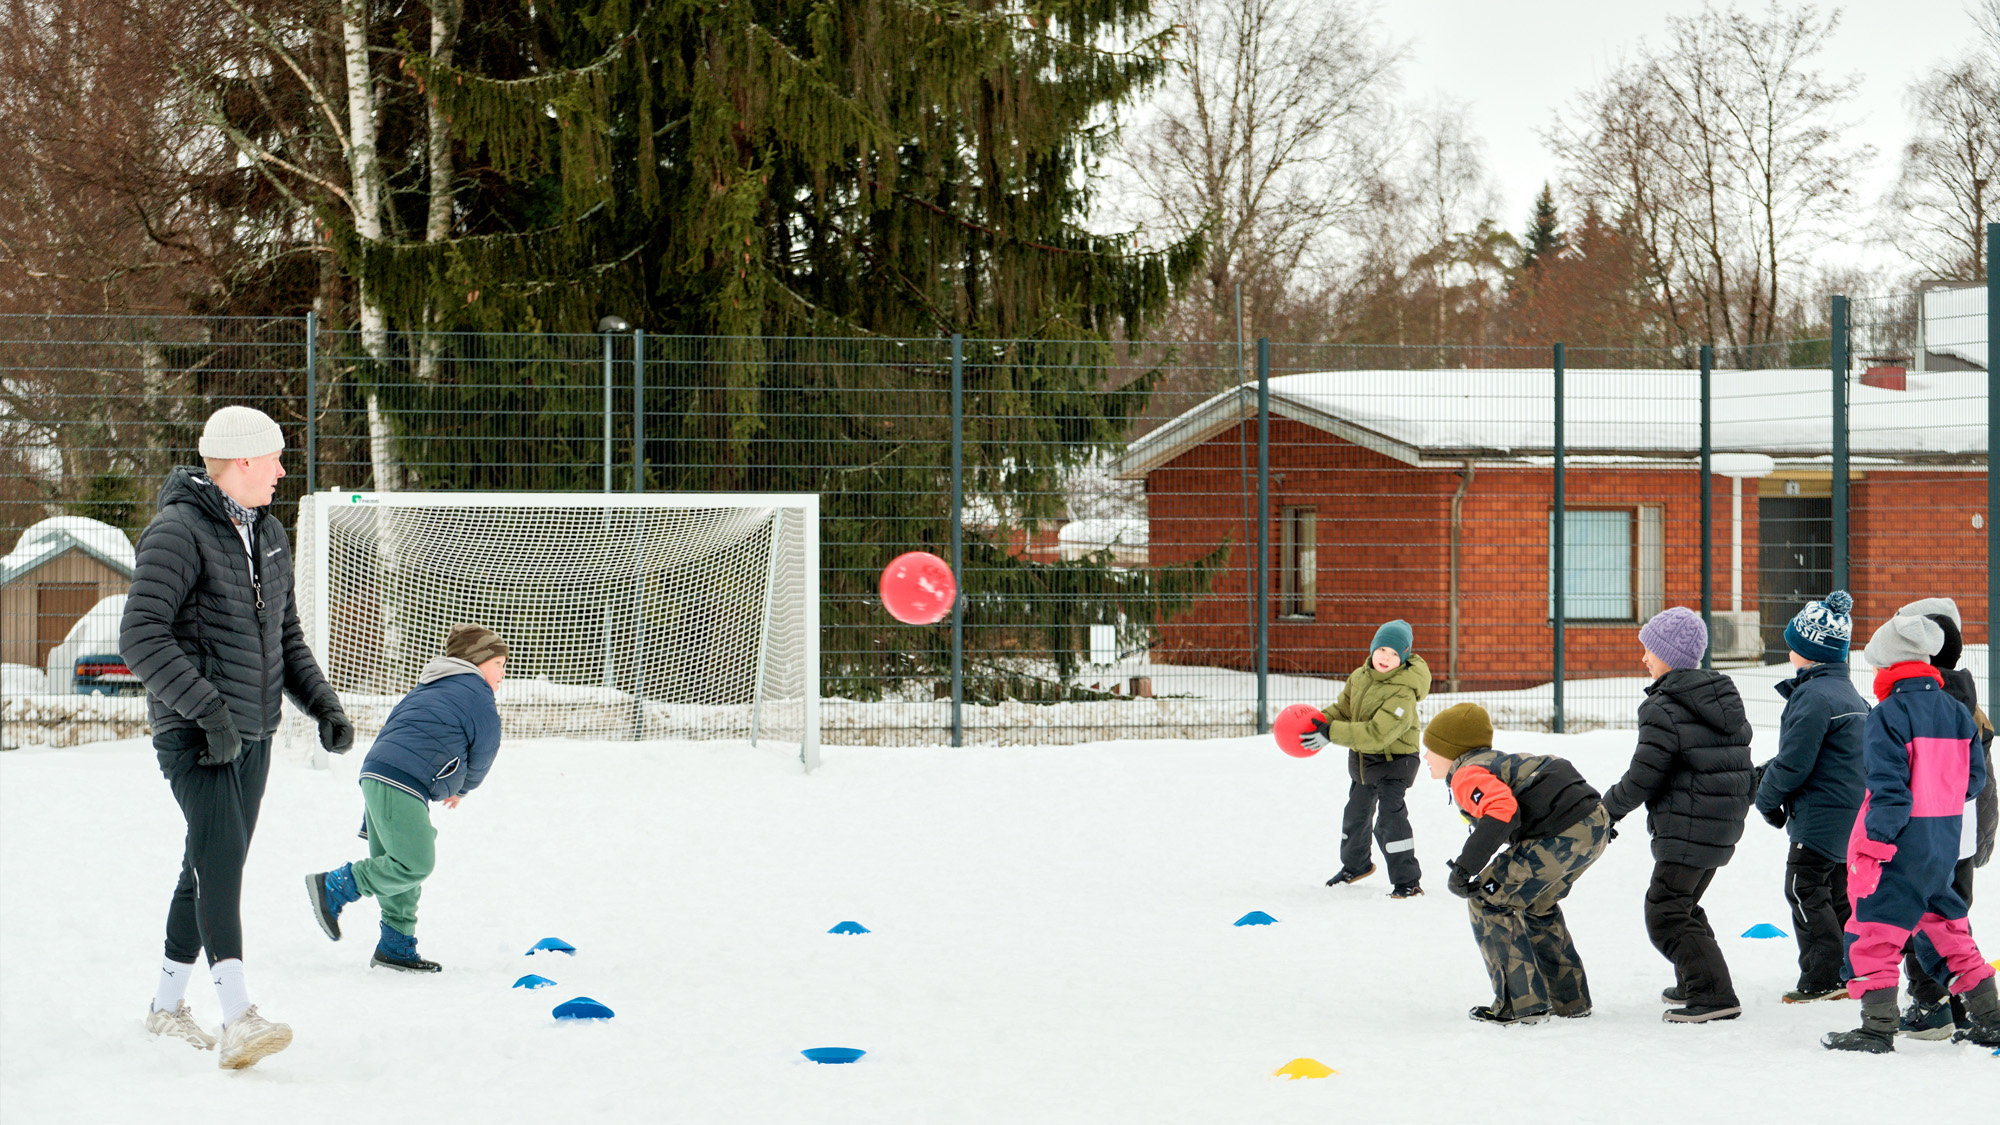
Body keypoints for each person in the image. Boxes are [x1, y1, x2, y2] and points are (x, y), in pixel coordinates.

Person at [119, 405, 353, 1069]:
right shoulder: (177, 531)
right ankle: (238, 1014)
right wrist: (207, 711)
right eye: (274, 459)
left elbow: (285, 638)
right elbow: (140, 636)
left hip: (254, 733)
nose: (282, 471)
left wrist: (322, 705)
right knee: (220, 858)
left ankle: (166, 1008)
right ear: (242, 462)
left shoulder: (270, 534)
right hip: (195, 733)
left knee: (207, 865)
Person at [1822, 613, 2000, 1052]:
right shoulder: (1958, 713)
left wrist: (1875, 847)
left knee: (1872, 930)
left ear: (1890, 665)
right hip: (1941, 845)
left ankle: (1876, 1028)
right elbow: (1973, 782)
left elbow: (1889, 791)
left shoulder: (1888, 714)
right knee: (1947, 928)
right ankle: (1991, 1018)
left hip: (1897, 842)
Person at [307, 623, 506, 973]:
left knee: (398, 866)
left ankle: (395, 944)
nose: (503, 672)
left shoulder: (430, 685)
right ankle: (336, 886)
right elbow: (486, 747)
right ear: (478, 661)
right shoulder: (476, 692)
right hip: (402, 781)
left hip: (380, 775)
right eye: (499, 664)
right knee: (414, 862)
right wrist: (463, 787)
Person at [1601, 606, 1754, 1024]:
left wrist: (1606, 810)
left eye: (1649, 649)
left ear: (1667, 655)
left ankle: (1714, 994)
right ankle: (1695, 980)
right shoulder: (1721, 701)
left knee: (1665, 912)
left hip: (1687, 827)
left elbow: (1643, 776)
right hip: (1719, 827)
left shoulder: (1664, 708)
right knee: (1682, 905)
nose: (1644, 658)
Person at [1422, 703, 1610, 1025]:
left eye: (1431, 749)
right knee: (1537, 907)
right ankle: (1569, 1000)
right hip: (1594, 827)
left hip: (1559, 834)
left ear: (1453, 752)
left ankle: (1521, 1006)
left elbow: (1501, 810)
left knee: (1487, 899)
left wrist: (1466, 868)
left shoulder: (1466, 774)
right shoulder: (1497, 763)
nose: (1425, 757)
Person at [1752, 590, 1868, 1004]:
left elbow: (1794, 763)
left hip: (1820, 817)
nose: (1789, 650)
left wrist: (1765, 799)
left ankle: (1822, 977)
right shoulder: (1851, 696)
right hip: (1851, 815)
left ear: (1809, 650)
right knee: (1836, 895)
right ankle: (1850, 970)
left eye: (1794, 644)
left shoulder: (1814, 696)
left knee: (1803, 888)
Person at [1306, 619, 1431, 898]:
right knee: (1355, 815)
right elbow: (1343, 708)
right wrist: (1319, 722)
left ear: (1404, 657)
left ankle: (1408, 881)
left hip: (1395, 761)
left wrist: (1331, 733)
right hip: (1364, 762)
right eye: (1382, 649)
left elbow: (1378, 734)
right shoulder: (1360, 677)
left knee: (1390, 820)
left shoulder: (1403, 691)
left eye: (1395, 653)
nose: (1386, 657)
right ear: (1372, 648)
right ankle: (1356, 866)